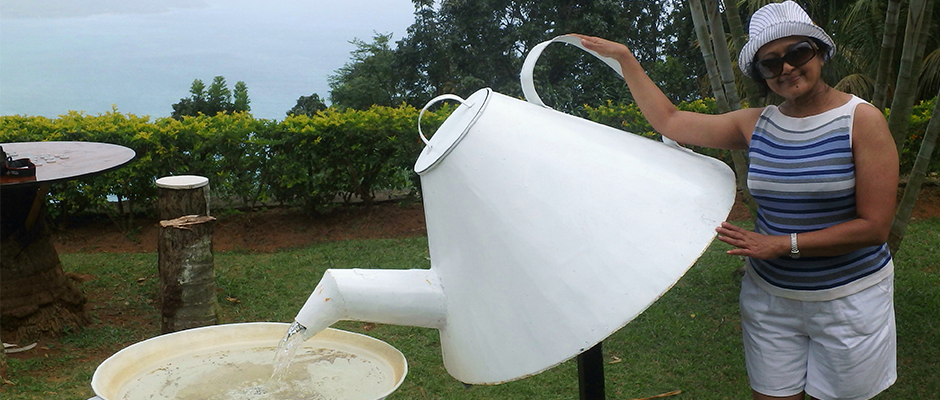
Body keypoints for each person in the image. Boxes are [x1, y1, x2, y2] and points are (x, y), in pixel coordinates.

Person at [573, 1, 898, 399]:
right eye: (770, 63)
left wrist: (782, 245)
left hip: (848, 299)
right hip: (771, 299)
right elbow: (670, 121)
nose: (787, 68)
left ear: (820, 52)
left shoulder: (861, 120)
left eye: (798, 53)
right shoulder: (756, 124)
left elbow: (874, 227)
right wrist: (626, 59)